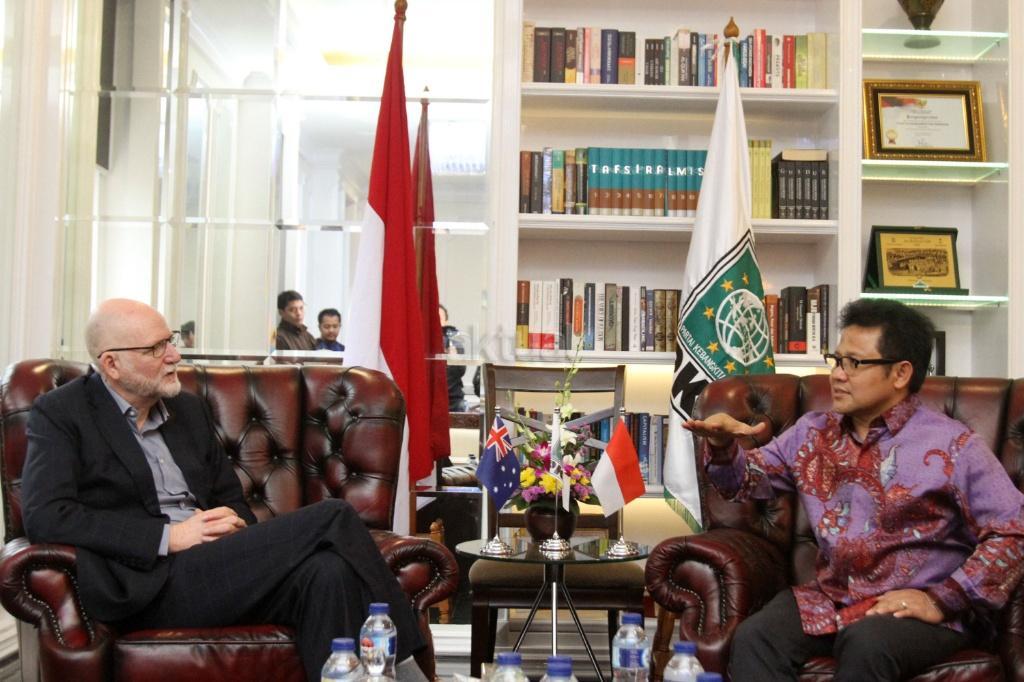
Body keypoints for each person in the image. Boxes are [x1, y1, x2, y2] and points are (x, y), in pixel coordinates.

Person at [21, 299, 428, 682]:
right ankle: (411, 667)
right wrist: (169, 537)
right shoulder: (62, 413)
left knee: (329, 572)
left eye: (170, 340)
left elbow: (232, 500)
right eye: (156, 348)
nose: (174, 355)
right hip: (147, 584)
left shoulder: (187, 410)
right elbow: (46, 515)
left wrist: (231, 525)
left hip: (217, 566)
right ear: (112, 363)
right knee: (334, 514)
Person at [683, 298, 1024, 682]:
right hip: (831, 598)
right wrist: (723, 447)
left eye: (854, 363)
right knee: (755, 638)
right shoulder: (813, 432)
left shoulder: (953, 446)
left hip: (919, 612)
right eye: (836, 360)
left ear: (901, 373)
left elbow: (1013, 529)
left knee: (867, 644)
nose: (838, 375)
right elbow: (743, 483)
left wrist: (942, 599)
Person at [439, 304, 466, 412]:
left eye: (439, 318)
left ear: (445, 321)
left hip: (452, 400)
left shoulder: (454, 341)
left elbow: (460, 371)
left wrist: (453, 359)